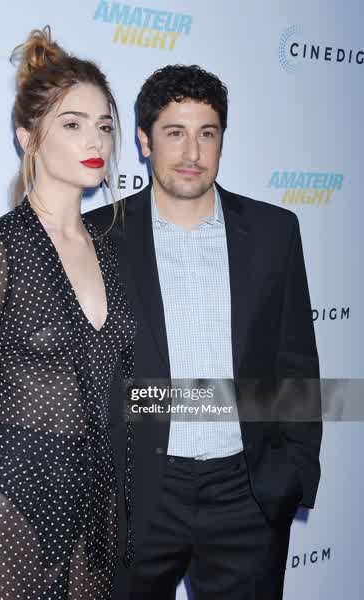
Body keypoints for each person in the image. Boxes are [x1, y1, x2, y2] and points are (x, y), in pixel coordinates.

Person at [89, 65, 322, 599]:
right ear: (144, 141)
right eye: (175, 132)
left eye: (207, 133)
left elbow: (296, 364)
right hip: (136, 499)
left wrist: (291, 475)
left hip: (247, 495)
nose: (192, 152)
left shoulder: (274, 232)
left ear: (221, 140)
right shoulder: (99, 238)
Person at [0, 27, 136, 600]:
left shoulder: (111, 255)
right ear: (28, 137)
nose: (95, 139)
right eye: (72, 124)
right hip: (8, 501)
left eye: (104, 125)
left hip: (94, 510)